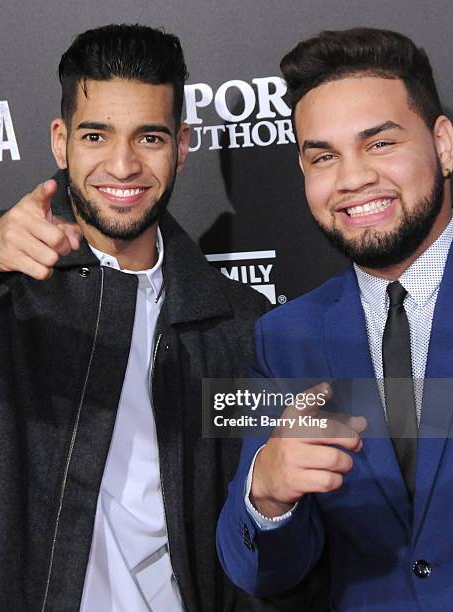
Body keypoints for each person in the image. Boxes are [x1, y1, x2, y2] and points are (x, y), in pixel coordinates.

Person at [0, 24, 269, 611]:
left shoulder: (232, 320)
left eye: (149, 138)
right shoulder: (3, 274)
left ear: (182, 145)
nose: (122, 165)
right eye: (96, 135)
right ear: (61, 142)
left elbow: (265, 506)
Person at [217, 27, 453, 611]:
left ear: (444, 145)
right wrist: (267, 497)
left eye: (379, 144)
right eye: (323, 156)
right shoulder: (286, 339)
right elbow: (263, 573)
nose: (351, 180)